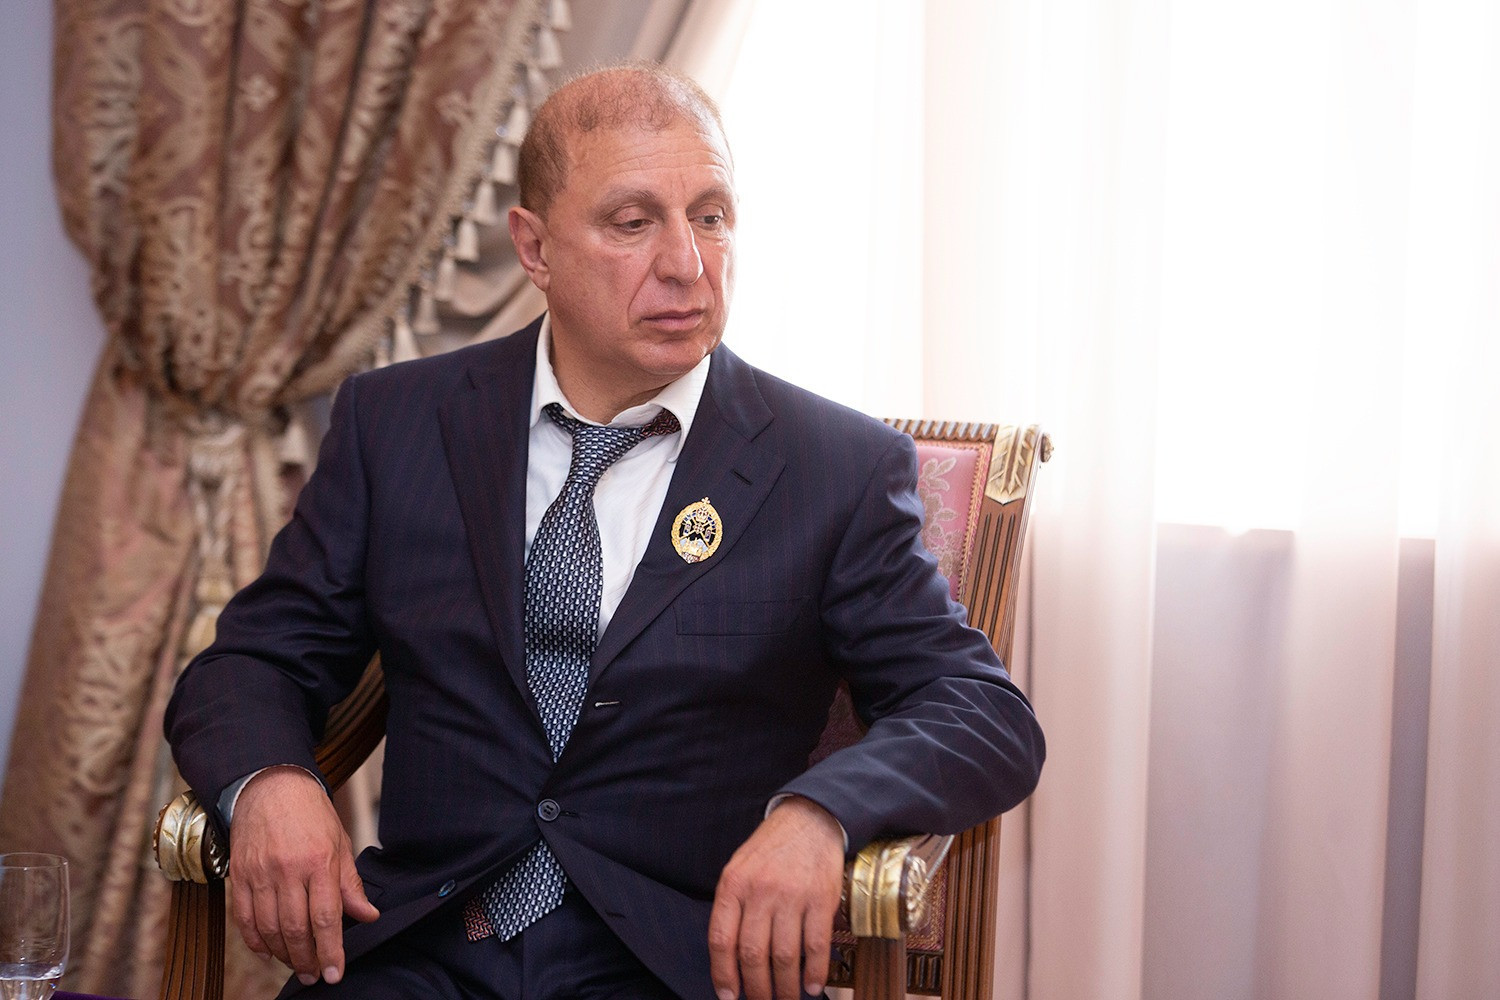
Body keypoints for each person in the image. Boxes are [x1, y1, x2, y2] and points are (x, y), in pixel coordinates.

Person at [166, 63, 1045, 1000]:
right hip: (416, 951)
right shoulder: (398, 423)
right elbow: (253, 661)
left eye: (711, 216)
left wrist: (820, 813)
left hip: (675, 965)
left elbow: (978, 711)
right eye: (633, 222)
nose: (688, 264)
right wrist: (271, 782)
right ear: (534, 247)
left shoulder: (833, 467)